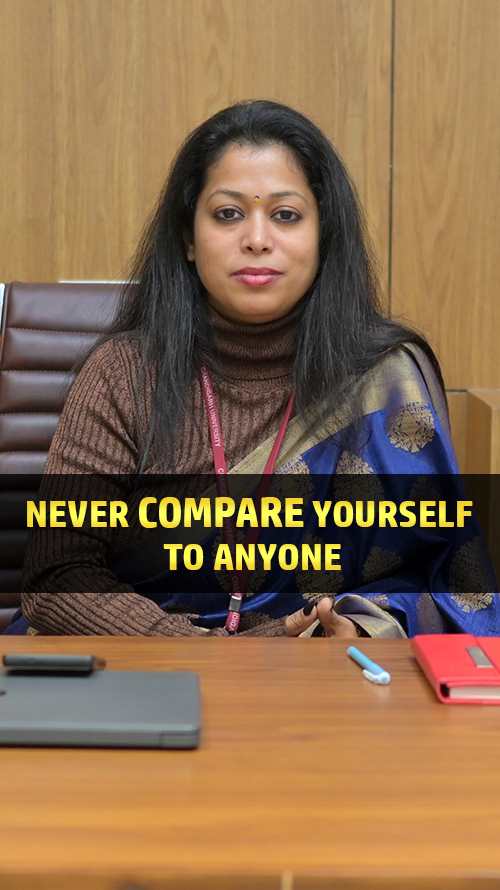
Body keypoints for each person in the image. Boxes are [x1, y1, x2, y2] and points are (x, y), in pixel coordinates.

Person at [10, 100, 499, 638]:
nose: (258, 239)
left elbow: (440, 579)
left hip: (319, 675)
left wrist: (364, 628)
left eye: (286, 215)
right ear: (188, 239)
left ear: (323, 238)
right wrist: (203, 653)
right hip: (140, 671)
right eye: (228, 214)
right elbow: (57, 576)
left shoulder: (382, 378)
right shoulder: (123, 374)